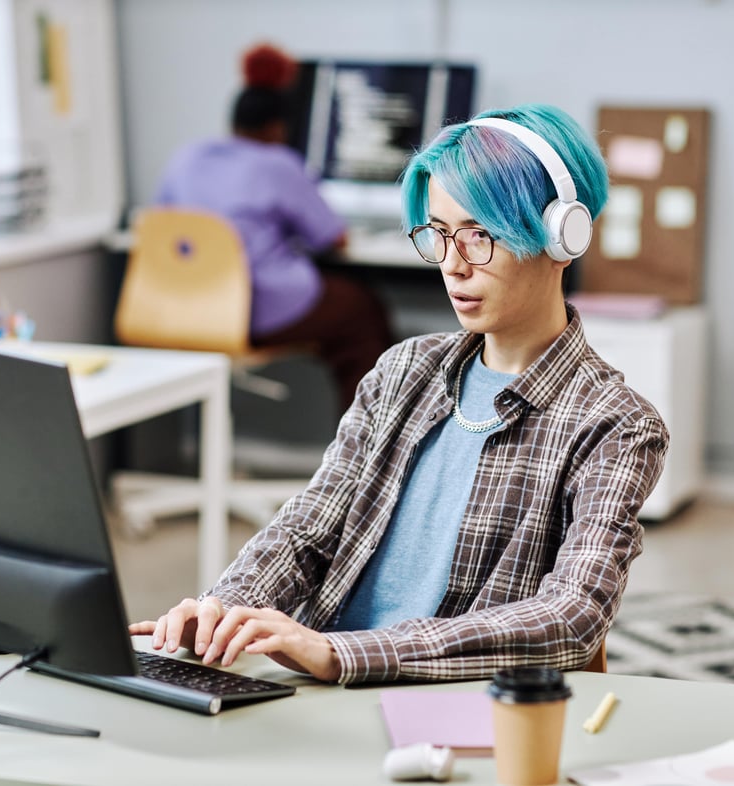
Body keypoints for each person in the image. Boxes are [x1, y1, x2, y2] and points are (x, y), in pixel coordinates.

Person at [130, 103, 670, 684]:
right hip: (321, 687)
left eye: (479, 236)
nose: (453, 266)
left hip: (440, 706)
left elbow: (570, 618)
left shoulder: (615, 424)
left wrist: (343, 655)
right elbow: (308, 529)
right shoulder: (402, 371)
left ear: (562, 234)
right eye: (438, 235)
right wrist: (225, 610)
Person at [152, 43, 392, 408]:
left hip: (182, 306)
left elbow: (161, 227)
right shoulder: (278, 164)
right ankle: (364, 452)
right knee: (362, 310)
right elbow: (333, 238)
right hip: (251, 309)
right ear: (279, 127)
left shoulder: (188, 157)